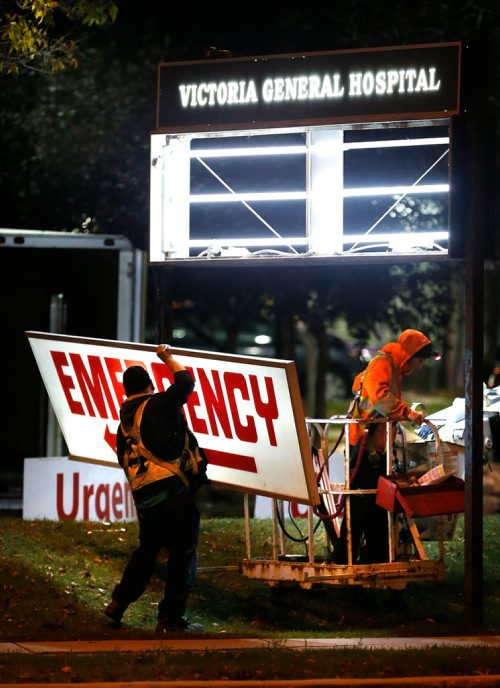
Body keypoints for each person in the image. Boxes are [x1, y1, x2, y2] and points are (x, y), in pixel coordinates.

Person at [104, 344, 208, 633]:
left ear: (126, 391)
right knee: (183, 553)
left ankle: (117, 605)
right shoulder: (158, 404)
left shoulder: (123, 424)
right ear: (149, 383)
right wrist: (168, 357)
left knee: (147, 552)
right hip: (173, 495)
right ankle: (170, 619)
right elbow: (186, 382)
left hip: (145, 500)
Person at [332, 329, 440, 565]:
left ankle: (370, 562)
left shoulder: (391, 367)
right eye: (420, 361)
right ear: (410, 354)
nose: (419, 367)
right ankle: (344, 562)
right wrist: (408, 413)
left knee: (375, 508)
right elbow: (380, 397)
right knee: (361, 508)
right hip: (365, 447)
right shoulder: (383, 363)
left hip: (374, 448)